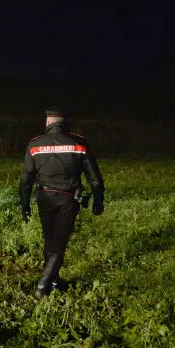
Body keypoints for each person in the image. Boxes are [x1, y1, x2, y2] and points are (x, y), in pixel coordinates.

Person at [19, 107, 105, 299]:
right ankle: (44, 284)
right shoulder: (79, 143)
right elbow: (95, 179)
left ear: (48, 123)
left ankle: (55, 280)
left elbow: (26, 179)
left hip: (44, 197)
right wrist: (98, 201)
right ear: (64, 123)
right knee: (60, 240)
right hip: (68, 198)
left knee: (49, 238)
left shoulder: (35, 145)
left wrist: (24, 204)